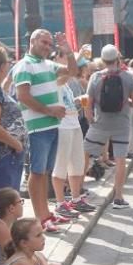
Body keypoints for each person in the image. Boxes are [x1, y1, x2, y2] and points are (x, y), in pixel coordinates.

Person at [12, 30, 78, 232]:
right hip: (36, 127)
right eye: (44, 42)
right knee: (37, 172)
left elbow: (72, 72)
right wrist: (49, 110)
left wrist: (69, 52)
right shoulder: (24, 65)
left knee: (44, 172)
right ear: (32, 41)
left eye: (50, 44)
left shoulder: (48, 64)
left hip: (51, 125)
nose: (47, 46)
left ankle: (46, 214)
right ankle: (41, 217)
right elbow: (22, 96)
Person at [84, 44, 133, 210]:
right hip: (121, 125)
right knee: (120, 160)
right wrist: (126, 103)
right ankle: (118, 197)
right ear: (118, 59)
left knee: (85, 154)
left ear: (102, 60)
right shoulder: (128, 77)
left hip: (100, 124)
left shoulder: (95, 77)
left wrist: (90, 120)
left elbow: (88, 102)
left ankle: (76, 193)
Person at [0, 47, 27, 192]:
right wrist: (16, 144)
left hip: (10, 153)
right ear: (3, 66)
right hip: (6, 153)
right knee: (7, 198)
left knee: (10, 196)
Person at [51, 69, 89, 220]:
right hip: (62, 126)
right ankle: (60, 203)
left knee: (77, 164)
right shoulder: (55, 82)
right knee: (60, 166)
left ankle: (76, 199)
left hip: (74, 124)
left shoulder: (66, 85)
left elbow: (68, 104)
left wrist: (78, 100)